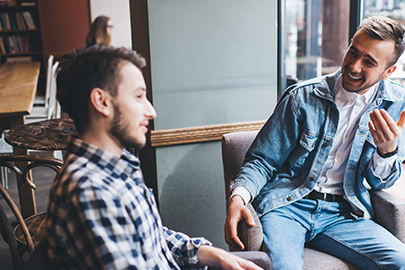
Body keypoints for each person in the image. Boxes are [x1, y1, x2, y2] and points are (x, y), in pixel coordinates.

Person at [225, 16, 405, 270]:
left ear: (389, 72)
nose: (353, 65)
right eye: (353, 51)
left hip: (345, 213)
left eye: (369, 62)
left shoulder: (396, 102)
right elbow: (263, 160)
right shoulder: (303, 97)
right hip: (288, 206)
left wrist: (387, 151)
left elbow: (381, 182)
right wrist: (238, 196)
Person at [45, 45, 262, 270]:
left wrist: (209, 253)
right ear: (102, 102)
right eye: (139, 96)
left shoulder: (116, 167)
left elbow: (149, 236)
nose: (151, 111)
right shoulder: (90, 192)